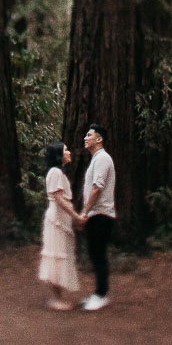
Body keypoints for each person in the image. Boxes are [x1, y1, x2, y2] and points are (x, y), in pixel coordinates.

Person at [37, 141, 82, 310]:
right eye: (66, 150)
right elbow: (59, 198)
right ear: (58, 155)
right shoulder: (55, 172)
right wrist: (76, 215)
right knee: (56, 255)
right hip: (56, 219)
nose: (69, 152)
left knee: (60, 254)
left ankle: (58, 297)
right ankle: (56, 299)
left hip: (60, 219)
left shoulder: (57, 173)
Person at [76, 123, 116, 311]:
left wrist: (84, 212)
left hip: (101, 215)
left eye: (89, 135)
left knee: (98, 254)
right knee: (95, 253)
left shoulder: (102, 158)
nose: (85, 137)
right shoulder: (97, 159)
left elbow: (97, 187)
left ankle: (101, 295)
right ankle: (99, 292)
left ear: (99, 139)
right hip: (96, 214)